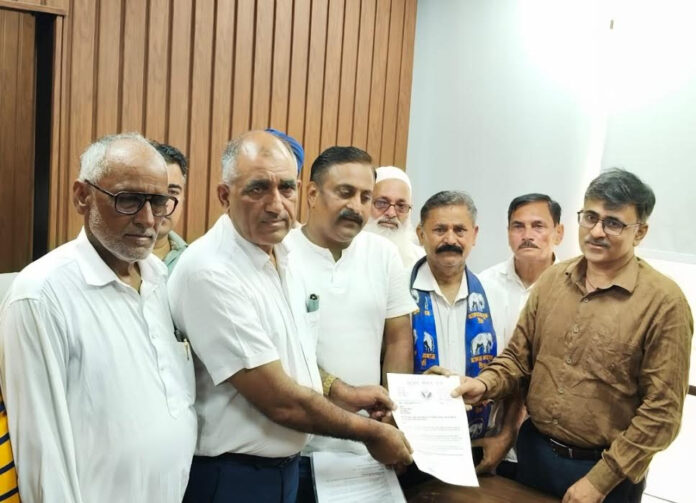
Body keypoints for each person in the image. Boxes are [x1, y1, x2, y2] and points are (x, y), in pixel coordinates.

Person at [168, 131, 413, 503]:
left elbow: (293, 355)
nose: (275, 204)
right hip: (232, 477)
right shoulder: (211, 271)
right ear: (224, 195)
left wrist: (343, 392)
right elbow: (280, 400)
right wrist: (371, 433)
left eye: (285, 188)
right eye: (257, 189)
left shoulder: (283, 254)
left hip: (280, 470)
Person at [448, 169, 693, 503]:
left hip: (607, 473)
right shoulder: (552, 280)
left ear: (640, 232)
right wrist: (483, 384)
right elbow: (518, 358)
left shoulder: (664, 303)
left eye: (613, 223)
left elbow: (662, 413)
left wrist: (600, 482)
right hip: (534, 456)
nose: (597, 231)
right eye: (590, 217)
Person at [0, 133, 197, 502]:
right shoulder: (42, 294)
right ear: (82, 196)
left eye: (159, 202)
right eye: (128, 200)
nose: (148, 219)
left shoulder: (160, 279)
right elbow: (42, 453)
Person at [284, 148, 416, 501]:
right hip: (298, 449)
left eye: (365, 197)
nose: (356, 206)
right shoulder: (281, 253)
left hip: (368, 447)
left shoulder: (383, 254)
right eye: (345, 193)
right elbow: (281, 352)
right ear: (312, 194)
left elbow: (399, 339)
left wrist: (393, 415)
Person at [410, 191, 510, 453]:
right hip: (411, 444)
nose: (450, 239)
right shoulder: (399, 293)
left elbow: (513, 370)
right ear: (421, 234)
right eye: (439, 229)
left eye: (460, 230)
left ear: (474, 235)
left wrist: (505, 437)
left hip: (477, 443)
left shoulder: (496, 295)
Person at [477, 193, 565, 478]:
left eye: (538, 226)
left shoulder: (572, 291)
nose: (527, 235)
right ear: (508, 233)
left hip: (544, 443)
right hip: (483, 432)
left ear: (558, 233)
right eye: (518, 226)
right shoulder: (482, 285)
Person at [364, 166, 424, 267]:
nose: (391, 213)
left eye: (401, 206)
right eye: (382, 203)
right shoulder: (344, 253)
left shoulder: (422, 261)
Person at [151, 142, 189, 272]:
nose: (164, 202)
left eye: (173, 192)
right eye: (155, 191)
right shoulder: (112, 258)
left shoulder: (193, 259)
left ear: (183, 198)